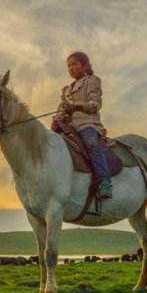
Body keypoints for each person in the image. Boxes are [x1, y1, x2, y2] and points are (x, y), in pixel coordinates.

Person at [52, 51, 112, 199]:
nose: (71, 68)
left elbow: (95, 104)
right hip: (68, 127)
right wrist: (57, 119)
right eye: (69, 66)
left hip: (87, 125)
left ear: (84, 65)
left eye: (75, 64)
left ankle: (105, 182)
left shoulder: (92, 80)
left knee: (92, 143)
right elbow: (61, 108)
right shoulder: (66, 90)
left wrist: (76, 107)